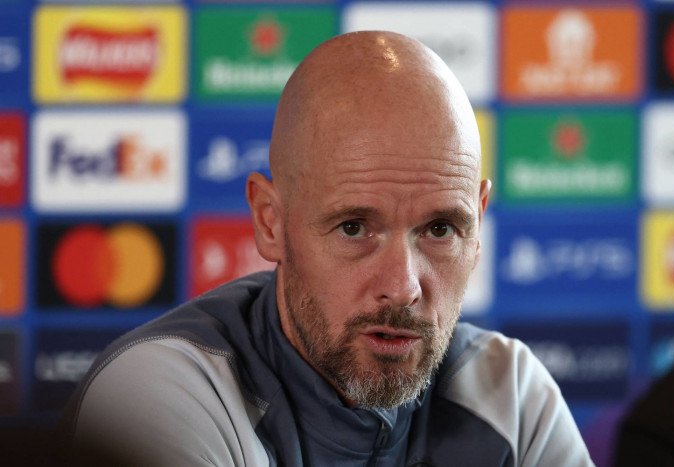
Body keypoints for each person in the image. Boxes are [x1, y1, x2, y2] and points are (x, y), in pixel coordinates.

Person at [63, 31, 593, 466]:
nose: (403, 287)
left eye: (439, 230)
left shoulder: (509, 399)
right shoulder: (159, 395)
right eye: (354, 228)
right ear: (271, 223)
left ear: (476, 228)